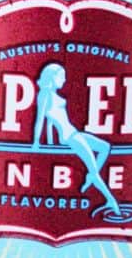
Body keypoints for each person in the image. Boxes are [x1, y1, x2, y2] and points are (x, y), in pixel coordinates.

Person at [32, 63, 121, 215]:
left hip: (74, 133)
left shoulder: (51, 95)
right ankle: (110, 199)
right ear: (52, 78)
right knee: (93, 166)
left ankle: (90, 177)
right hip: (69, 137)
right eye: (61, 76)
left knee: (105, 147)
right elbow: (40, 119)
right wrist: (35, 143)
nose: (65, 80)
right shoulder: (45, 95)